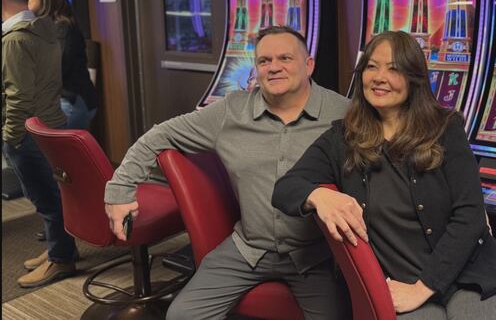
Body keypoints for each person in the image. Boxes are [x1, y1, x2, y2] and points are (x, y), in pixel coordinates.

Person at [104, 25, 350, 320]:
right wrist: (119, 190)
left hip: (316, 255)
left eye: (285, 58)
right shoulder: (231, 111)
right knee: (182, 316)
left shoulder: (343, 113)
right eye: (264, 61)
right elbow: (158, 136)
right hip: (248, 248)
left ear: (308, 65)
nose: (274, 67)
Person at [273, 31, 496, 319]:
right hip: (401, 283)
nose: (380, 77)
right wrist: (319, 196)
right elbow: (285, 189)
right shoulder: (342, 139)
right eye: (372, 66)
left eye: (394, 69)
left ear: (414, 78)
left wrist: (424, 287)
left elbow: (470, 215)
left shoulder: (446, 128)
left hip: (470, 274)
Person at [2, 0, 79, 287]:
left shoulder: (15, 39)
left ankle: (61, 259)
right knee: (53, 194)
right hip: (49, 124)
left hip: (28, 131)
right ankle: (59, 249)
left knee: (45, 198)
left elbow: (18, 97)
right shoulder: (43, 27)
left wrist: (10, 138)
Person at [28, 0, 98, 130]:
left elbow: (54, 71)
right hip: (55, 100)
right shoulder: (41, 27)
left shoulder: (62, 28)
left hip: (71, 101)